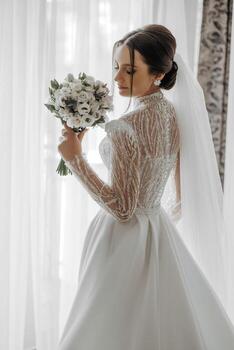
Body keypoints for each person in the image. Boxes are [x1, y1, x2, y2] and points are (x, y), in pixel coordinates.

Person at [58, 24, 234, 349]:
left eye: (129, 70)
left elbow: (123, 208)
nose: (117, 78)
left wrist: (74, 159)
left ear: (157, 74)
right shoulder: (173, 114)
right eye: (116, 67)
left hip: (120, 240)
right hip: (157, 229)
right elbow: (175, 194)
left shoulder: (126, 126)